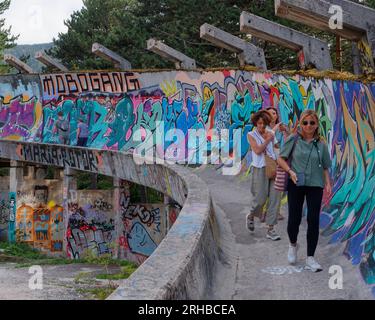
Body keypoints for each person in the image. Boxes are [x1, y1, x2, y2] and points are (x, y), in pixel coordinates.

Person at [277, 110, 332, 272]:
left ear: (316, 125)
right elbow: (280, 158)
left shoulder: (321, 145)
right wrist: (290, 171)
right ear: (300, 124)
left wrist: (328, 183)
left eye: (312, 123)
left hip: (316, 184)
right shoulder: (293, 140)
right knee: (294, 219)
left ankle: (310, 258)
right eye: (305, 122)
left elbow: (326, 166)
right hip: (296, 183)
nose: (309, 126)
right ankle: (293, 244)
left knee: (313, 220)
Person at [246, 110, 282, 241]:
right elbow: (257, 150)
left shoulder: (271, 133)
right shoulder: (251, 134)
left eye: (264, 123)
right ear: (255, 123)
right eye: (259, 123)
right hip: (260, 168)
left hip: (274, 168)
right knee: (260, 199)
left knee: (275, 199)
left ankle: (270, 229)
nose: (261, 126)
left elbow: (276, 149)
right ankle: (251, 215)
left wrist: (280, 164)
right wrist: (267, 140)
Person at [259, 107, 290, 222]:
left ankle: (272, 211)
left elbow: (277, 147)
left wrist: (285, 131)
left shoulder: (274, 129)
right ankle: (263, 212)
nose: (275, 115)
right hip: (265, 162)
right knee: (266, 189)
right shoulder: (264, 128)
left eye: (276, 113)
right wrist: (276, 129)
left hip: (276, 162)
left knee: (276, 188)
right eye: (272, 113)